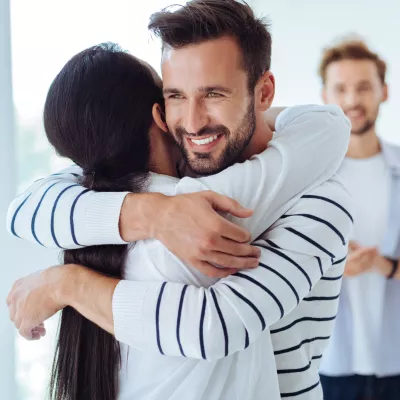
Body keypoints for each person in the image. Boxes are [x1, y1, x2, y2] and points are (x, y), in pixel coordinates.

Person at [7, 1, 352, 399]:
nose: (192, 122)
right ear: (159, 111)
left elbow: (216, 326)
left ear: (264, 92)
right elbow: (28, 206)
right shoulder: (175, 172)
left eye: (214, 94)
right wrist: (152, 214)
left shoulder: (321, 198)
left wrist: (64, 285)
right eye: (176, 96)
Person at [317, 38, 400, 400]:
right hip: (328, 361)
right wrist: (332, 267)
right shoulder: (308, 178)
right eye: (341, 89)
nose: (352, 100)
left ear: (384, 91)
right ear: (325, 96)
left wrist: (389, 266)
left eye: (364, 87)